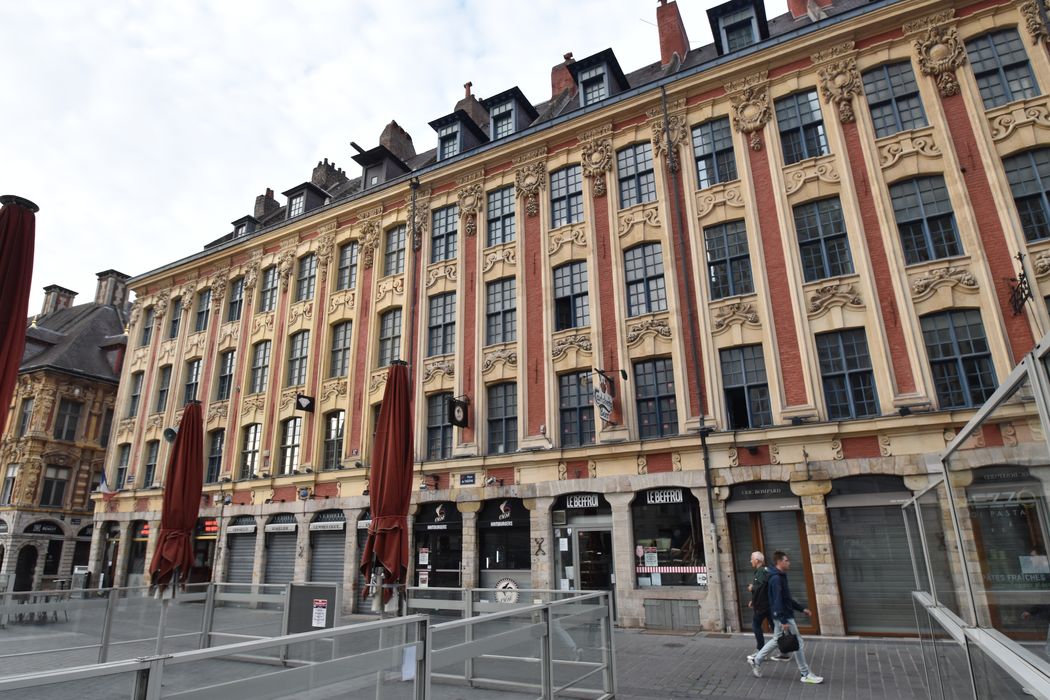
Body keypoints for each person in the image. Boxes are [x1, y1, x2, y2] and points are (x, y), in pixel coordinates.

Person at [747, 551, 823, 684]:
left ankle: (756, 660)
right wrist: (782, 619)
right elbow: (777, 600)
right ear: (779, 562)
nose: (789, 563)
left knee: (777, 639)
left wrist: (801, 609)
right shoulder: (776, 579)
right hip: (784, 616)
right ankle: (805, 674)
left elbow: (786, 598)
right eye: (786, 561)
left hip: (783, 614)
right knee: (797, 642)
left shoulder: (779, 576)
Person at [747, 551, 790, 661]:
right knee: (776, 628)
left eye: (752, 559)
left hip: (762, 606)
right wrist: (753, 600)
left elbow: (760, 587)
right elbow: (765, 588)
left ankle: (760, 650)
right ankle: (784, 652)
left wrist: (752, 588)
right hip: (768, 605)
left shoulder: (761, 571)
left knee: (756, 625)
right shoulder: (765, 570)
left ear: (757, 560)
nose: (751, 561)